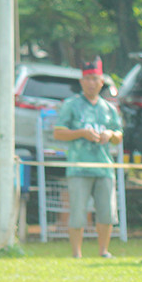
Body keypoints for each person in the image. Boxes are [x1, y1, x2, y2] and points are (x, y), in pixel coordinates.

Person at [52, 57, 123, 258]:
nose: (91, 83)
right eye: (88, 79)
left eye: (95, 79)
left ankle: (104, 251)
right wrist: (81, 133)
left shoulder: (109, 108)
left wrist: (110, 134)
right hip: (79, 166)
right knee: (77, 212)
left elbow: (119, 135)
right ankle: (76, 253)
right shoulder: (71, 105)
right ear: (82, 82)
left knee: (106, 212)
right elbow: (58, 133)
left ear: (101, 82)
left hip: (104, 167)